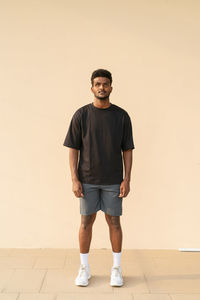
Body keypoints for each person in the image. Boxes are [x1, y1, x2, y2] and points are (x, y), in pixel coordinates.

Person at [63, 69, 135, 287]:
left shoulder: (121, 116)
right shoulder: (81, 115)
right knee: (86, 222)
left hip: (114, 180)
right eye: (97, 84)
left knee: (114, 221)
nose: (101, 87)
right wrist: (75, 179)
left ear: (111, 87)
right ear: (92, 87)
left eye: (105, 84)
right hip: (87, 180)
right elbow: (73, 148)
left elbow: (128, 150)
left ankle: (116, 268)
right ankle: (84, 269)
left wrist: (127, 179)